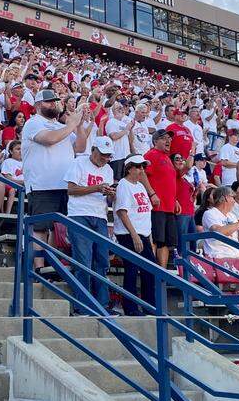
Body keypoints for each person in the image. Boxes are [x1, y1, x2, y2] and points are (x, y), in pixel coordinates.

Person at [22, 89, 88, 268]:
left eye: (55, 101)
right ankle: (39, 268)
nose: (53, 104)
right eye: (49, 101)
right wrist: (71, 125)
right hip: (42, 184)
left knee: (58, 228)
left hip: (64, 185)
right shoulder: (33, 122)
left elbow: (80, 147)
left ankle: (51, 266)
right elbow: (49, 139)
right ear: (37, 105)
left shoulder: (61, 126)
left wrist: (79, 125)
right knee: (40, 228)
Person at [63, 136, 116, 314]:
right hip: (79, 214)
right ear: (93, 150)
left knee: (102, 260)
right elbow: (71, 189)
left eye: (108, 155)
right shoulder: (79, 163)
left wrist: (111, 194)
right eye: (102, 154)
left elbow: (107, 198)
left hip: (100, 215)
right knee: (83, 261)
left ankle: (102, 304)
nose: (105, 158)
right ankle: (83, 305)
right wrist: (97, 188)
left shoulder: (108, 169)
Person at [114, 155, 156, 316]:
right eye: (138, 167)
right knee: (131, 270)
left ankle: (149, 307)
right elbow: (122, 212)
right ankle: (130, 308)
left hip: (143, 233)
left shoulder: (140, 186)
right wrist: (134, 235)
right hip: (129, 234)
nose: (142, 170)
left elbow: (145, 214)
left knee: (149, 271)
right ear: (129, 168)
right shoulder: (123, 185)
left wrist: (148, 237)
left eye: (143, 167)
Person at [144, 129, 179, 269]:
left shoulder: (167, 157)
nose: (168, 141)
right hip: (157, 206)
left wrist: (174, 200)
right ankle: (152, 270)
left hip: (168, 206)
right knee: (155, 239)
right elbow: (142, 175)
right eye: (164, 138)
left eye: (169, 139)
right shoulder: (151, 154)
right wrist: (152, 194)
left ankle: (162, 272)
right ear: (155, 141)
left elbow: (168, 181)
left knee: (165, 242)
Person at [200, 186, 239, 258]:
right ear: (225, 198)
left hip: (235, 258)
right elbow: (218, 232)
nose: (234, 201)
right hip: (219, 257)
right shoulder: (210, 213)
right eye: (233, 197)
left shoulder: (232, 216)